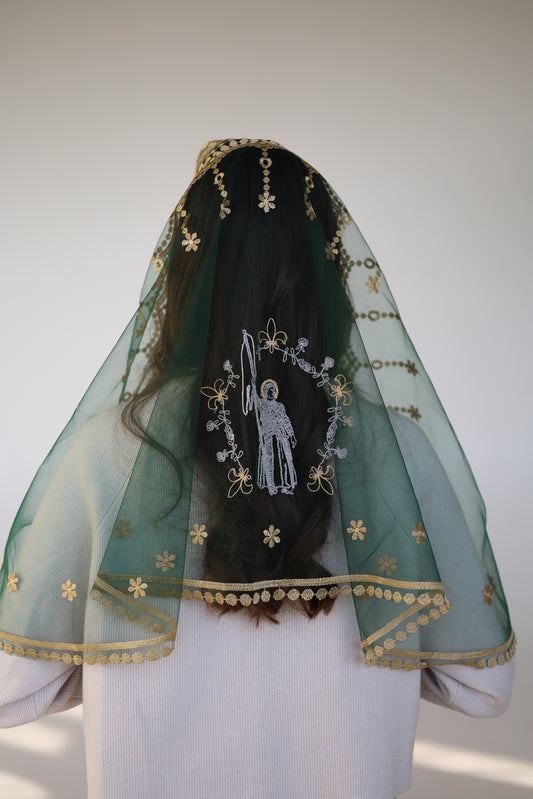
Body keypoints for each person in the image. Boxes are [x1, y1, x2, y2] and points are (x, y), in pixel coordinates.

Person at [0, 139, 515, 798]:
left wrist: (119, 652)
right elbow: (482, 684)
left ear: (183, 278)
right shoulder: (398, 453)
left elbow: (12, 687)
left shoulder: (111, 451)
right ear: (331, 278)